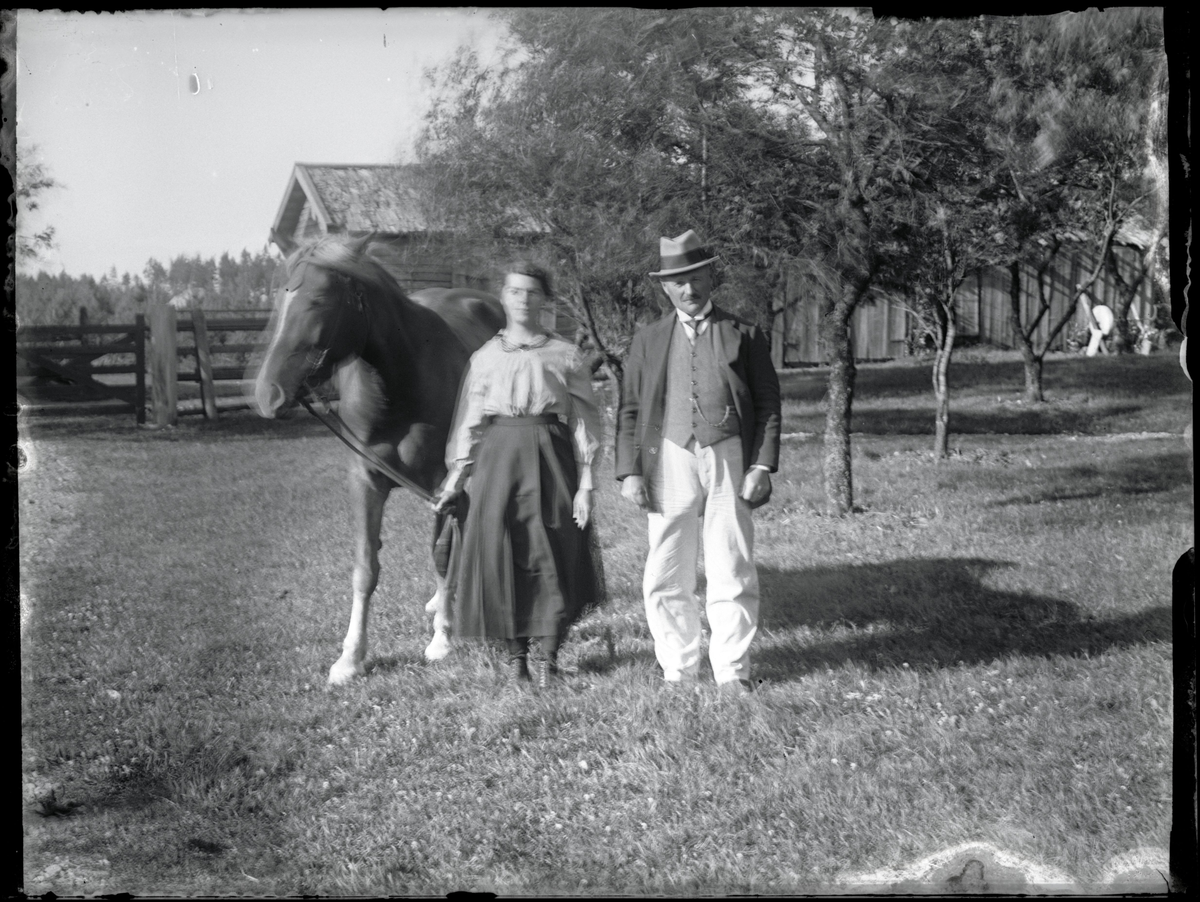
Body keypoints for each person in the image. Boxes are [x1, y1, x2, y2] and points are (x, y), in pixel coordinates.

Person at [615, 230, 781, 695]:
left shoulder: (745, 333)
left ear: (711, 276)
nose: (689, 289)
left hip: (729, 451)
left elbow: (768, 403)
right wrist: (630, 469)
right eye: (677, 282)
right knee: (667, 563)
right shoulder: (648, 339)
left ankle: (732, 670)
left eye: (696, 277)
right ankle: (678, 668)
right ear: (664, 288)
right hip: (668, 453)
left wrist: (762, 465)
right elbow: (630, 408)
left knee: (731, 560)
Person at [435, 263, 604, 689]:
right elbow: (471, 421)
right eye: (514, 291)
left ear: (544, 299)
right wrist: (456, 480)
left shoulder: (565, 354)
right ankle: (517, 660)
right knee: (502, 552)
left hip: (552, 457)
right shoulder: (485, 357)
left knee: (554, 549)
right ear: (503, 297)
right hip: (499, 461)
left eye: (532, 292)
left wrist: (586, 484)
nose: (523, 299)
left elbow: (585, 421)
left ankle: (549, 659)